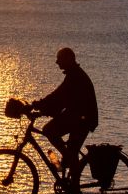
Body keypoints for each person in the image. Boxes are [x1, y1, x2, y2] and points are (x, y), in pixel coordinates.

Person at [31, 47, 98, 180]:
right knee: (72, 151)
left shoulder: (75, 76)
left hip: (82, 119)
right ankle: (73, 185)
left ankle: (68, 160)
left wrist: (38, 105)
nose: (57, 62)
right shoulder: (73, 74)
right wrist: (41, 107)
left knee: (48, 130)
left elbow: (58, 96)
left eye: (59, 59)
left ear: (68, 59)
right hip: (80, 117)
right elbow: (59, 98)